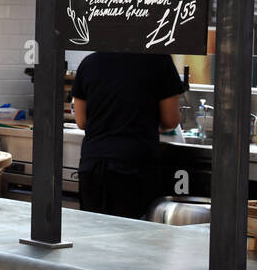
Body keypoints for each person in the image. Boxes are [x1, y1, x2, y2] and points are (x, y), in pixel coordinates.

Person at [72, 52, 184, 219]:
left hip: (94, 165)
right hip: (135, 164)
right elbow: (171, 120)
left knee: (93, 235)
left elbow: (81, 121)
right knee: (134, 237)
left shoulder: (89, 62)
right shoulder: (159, 60)